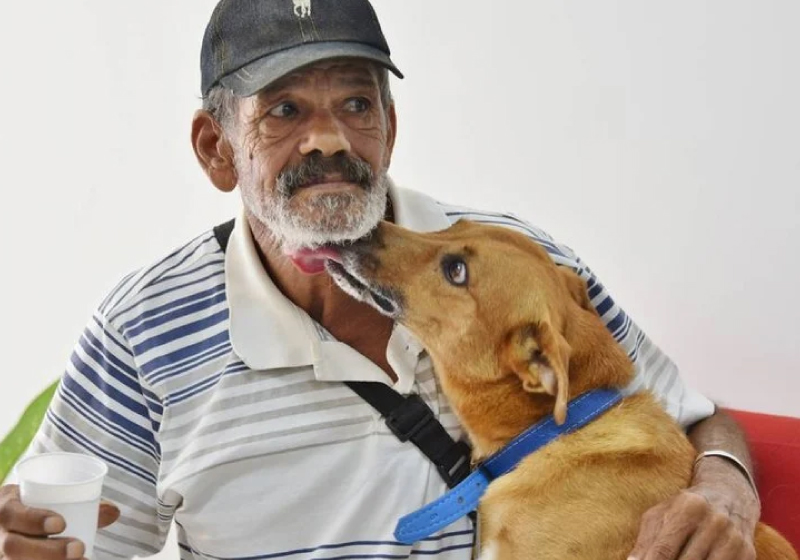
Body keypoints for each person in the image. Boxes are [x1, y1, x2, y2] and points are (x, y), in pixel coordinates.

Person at [0, 1, 761, 559]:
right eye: (285, 110)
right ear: (217, 148)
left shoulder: (516, 268)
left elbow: (692, 417)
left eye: (356, 103)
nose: (328, 138)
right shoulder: (143, 335)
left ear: (390, 128)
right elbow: (71, 538)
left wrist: (724, 488)